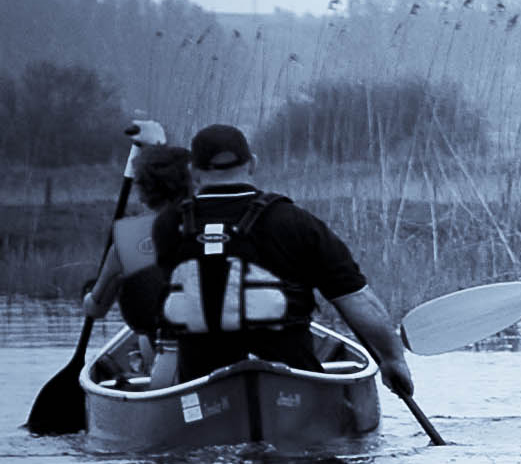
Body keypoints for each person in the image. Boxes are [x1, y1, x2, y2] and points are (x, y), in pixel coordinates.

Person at [147, 123, 418, 399]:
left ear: (193, 171)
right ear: (252, 163)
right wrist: (392, 359)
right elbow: (355, 299)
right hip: (292, 386)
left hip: (202, 386)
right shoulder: (294, 221)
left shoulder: (168, 226)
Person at [81, 140, 192, 378]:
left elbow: (96, 308)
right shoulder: (215, 228)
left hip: (161, 350)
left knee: (144, 342)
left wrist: (88, 294)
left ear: (143, 190)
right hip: (210, 347)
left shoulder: (126, 241)